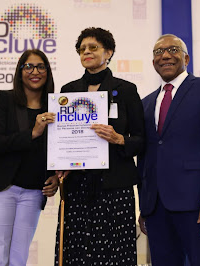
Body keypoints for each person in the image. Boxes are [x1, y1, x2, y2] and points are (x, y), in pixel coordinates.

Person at [137, 34, 200, 266]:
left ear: (186, 58)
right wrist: (145, 205)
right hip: (157, 207)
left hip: (198, 205)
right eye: (159, 52)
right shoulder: (146, 103)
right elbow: (146, 157)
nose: (166, 55)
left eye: (173, 50)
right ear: (153, 63)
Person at [54, 27, 145, 266]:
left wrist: (119, 139)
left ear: (109, 52)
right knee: (77, 255)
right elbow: (62, 139)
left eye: (93, 47)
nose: (86, 52)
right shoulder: (68, 91)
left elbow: (141, 140)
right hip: (78, 186)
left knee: (116, 254)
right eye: (82, 49)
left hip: (115, 187)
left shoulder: (126, 90)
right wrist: (60, 163)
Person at [0, 49, 59, 266]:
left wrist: (55, 176)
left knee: (19, 258)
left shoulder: (56, 107)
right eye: (28, 66)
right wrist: (32, 133)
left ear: (48, 72)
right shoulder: (4, 99)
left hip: (33, 192)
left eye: (41, 66)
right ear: (19, 71)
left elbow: (55, 149)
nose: (35, 72)